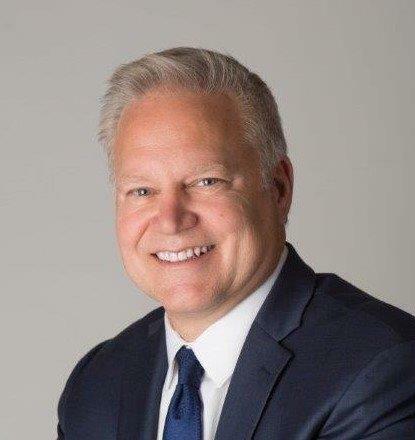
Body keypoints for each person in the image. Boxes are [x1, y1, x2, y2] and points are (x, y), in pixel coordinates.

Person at [56, 47, 415, 440]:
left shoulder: (381, 369)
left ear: (278, 188)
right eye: (142, 190)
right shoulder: (96, 385)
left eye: (206, 181)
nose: (171, 220)